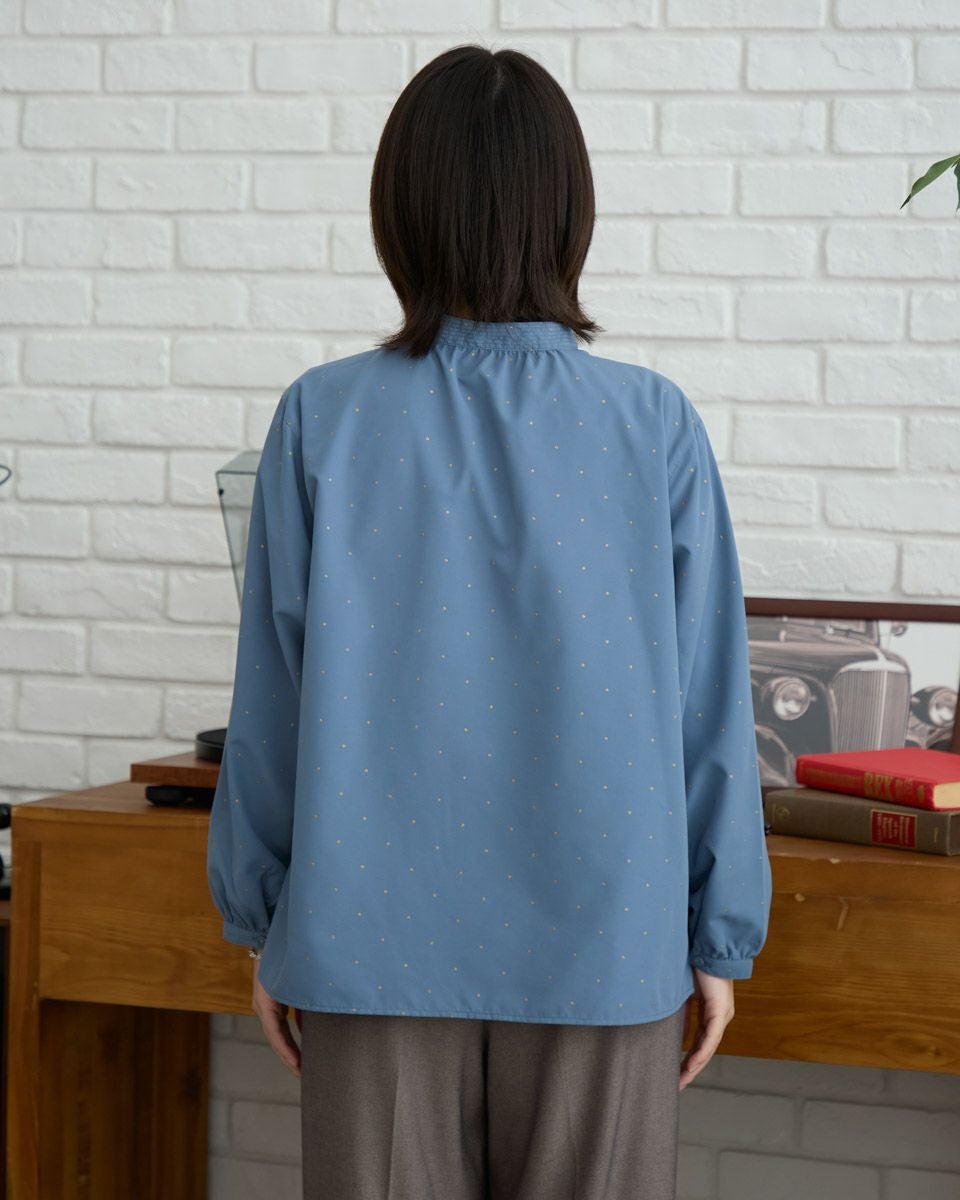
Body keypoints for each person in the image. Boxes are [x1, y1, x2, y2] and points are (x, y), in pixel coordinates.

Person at [206, 43, 772, 1200]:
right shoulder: (653, 424)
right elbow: (711, 706)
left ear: (399, 209)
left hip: (365, 940)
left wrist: (266, 920)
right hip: (604, 945)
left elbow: (273, 701)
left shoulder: (321, 418)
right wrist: (718, 936)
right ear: (570, 212)